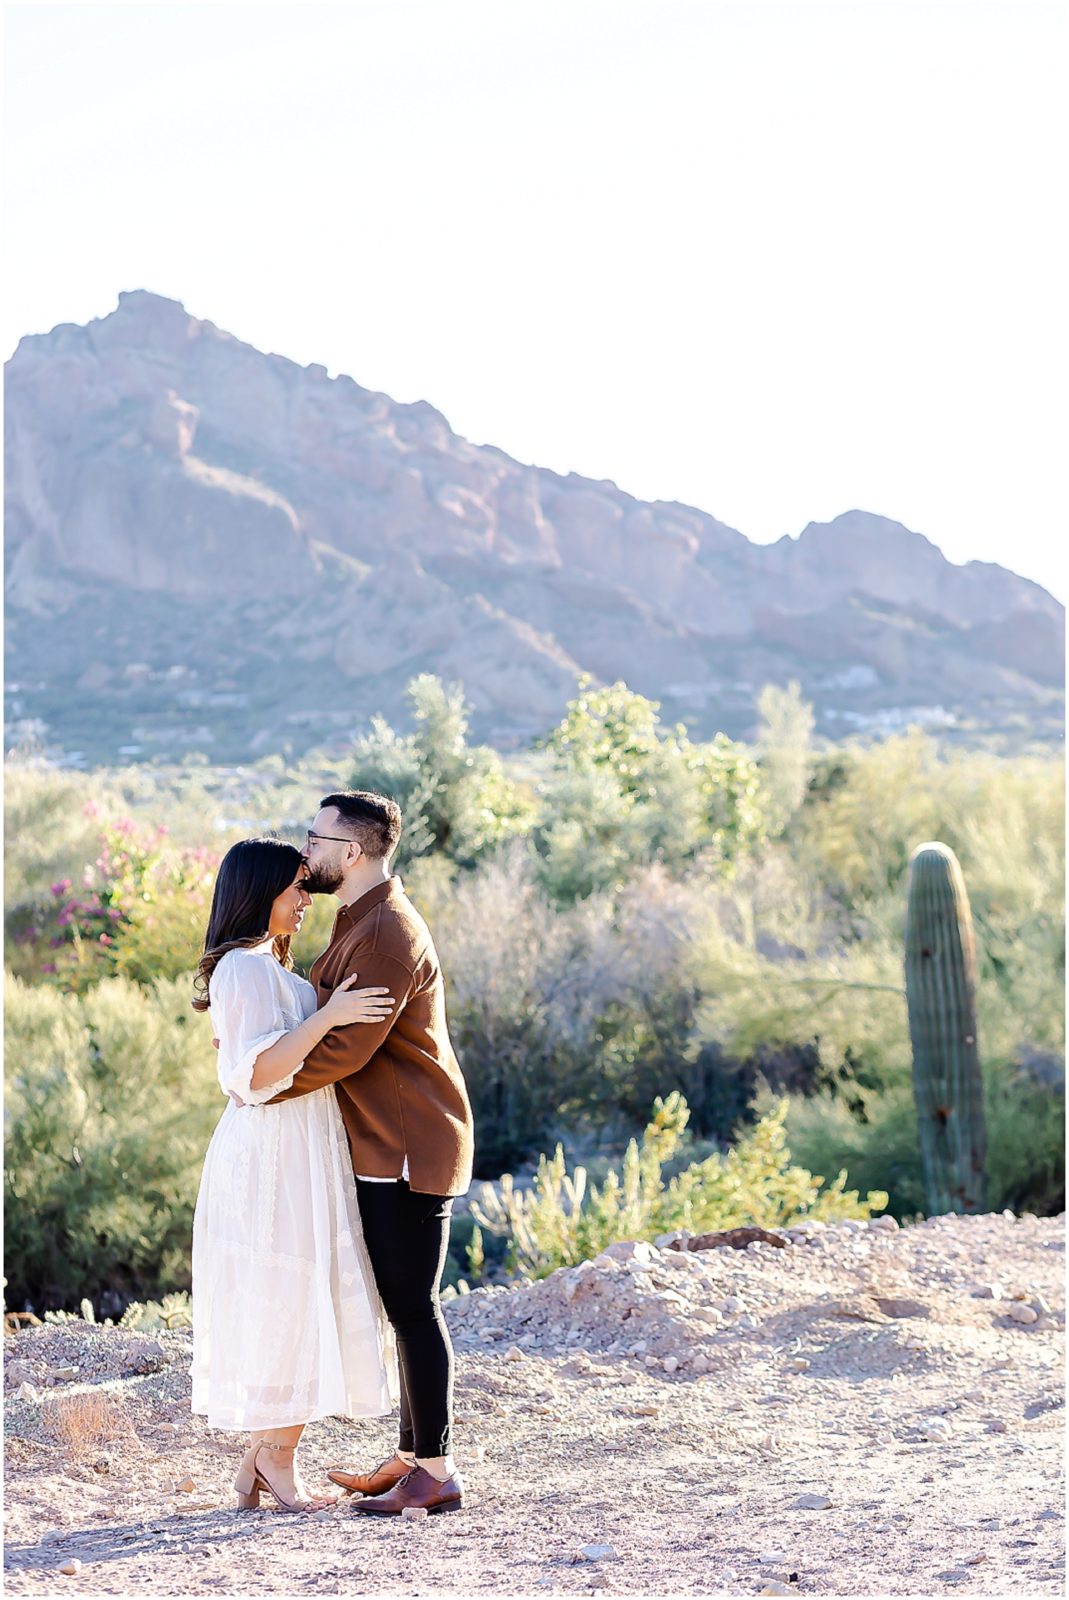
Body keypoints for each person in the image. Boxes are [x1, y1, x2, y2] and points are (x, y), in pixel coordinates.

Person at [268, 790, 474, 1517]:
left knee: (414, 1309)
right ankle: (413, 1457)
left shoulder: (385, 932)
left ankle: (437, 1470)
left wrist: (265, 1086)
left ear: (351, 852)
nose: (306, 851)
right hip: (385, 1142)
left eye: (315, 839)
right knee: (401, 1306)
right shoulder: (360, 919)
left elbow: (348, 1050)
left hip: (408, 1146)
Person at [189, 837, 398, 1512]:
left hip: (297, 1146)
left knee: (299, 1296)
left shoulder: (266, 968)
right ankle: (277, 1460)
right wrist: (332, 1016)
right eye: (295, 889)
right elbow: (251, 1075)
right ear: (259, 893)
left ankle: (262, 1456)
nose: (306, 901)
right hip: (271, 1154)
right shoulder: (244, 970)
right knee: (292, 1298)